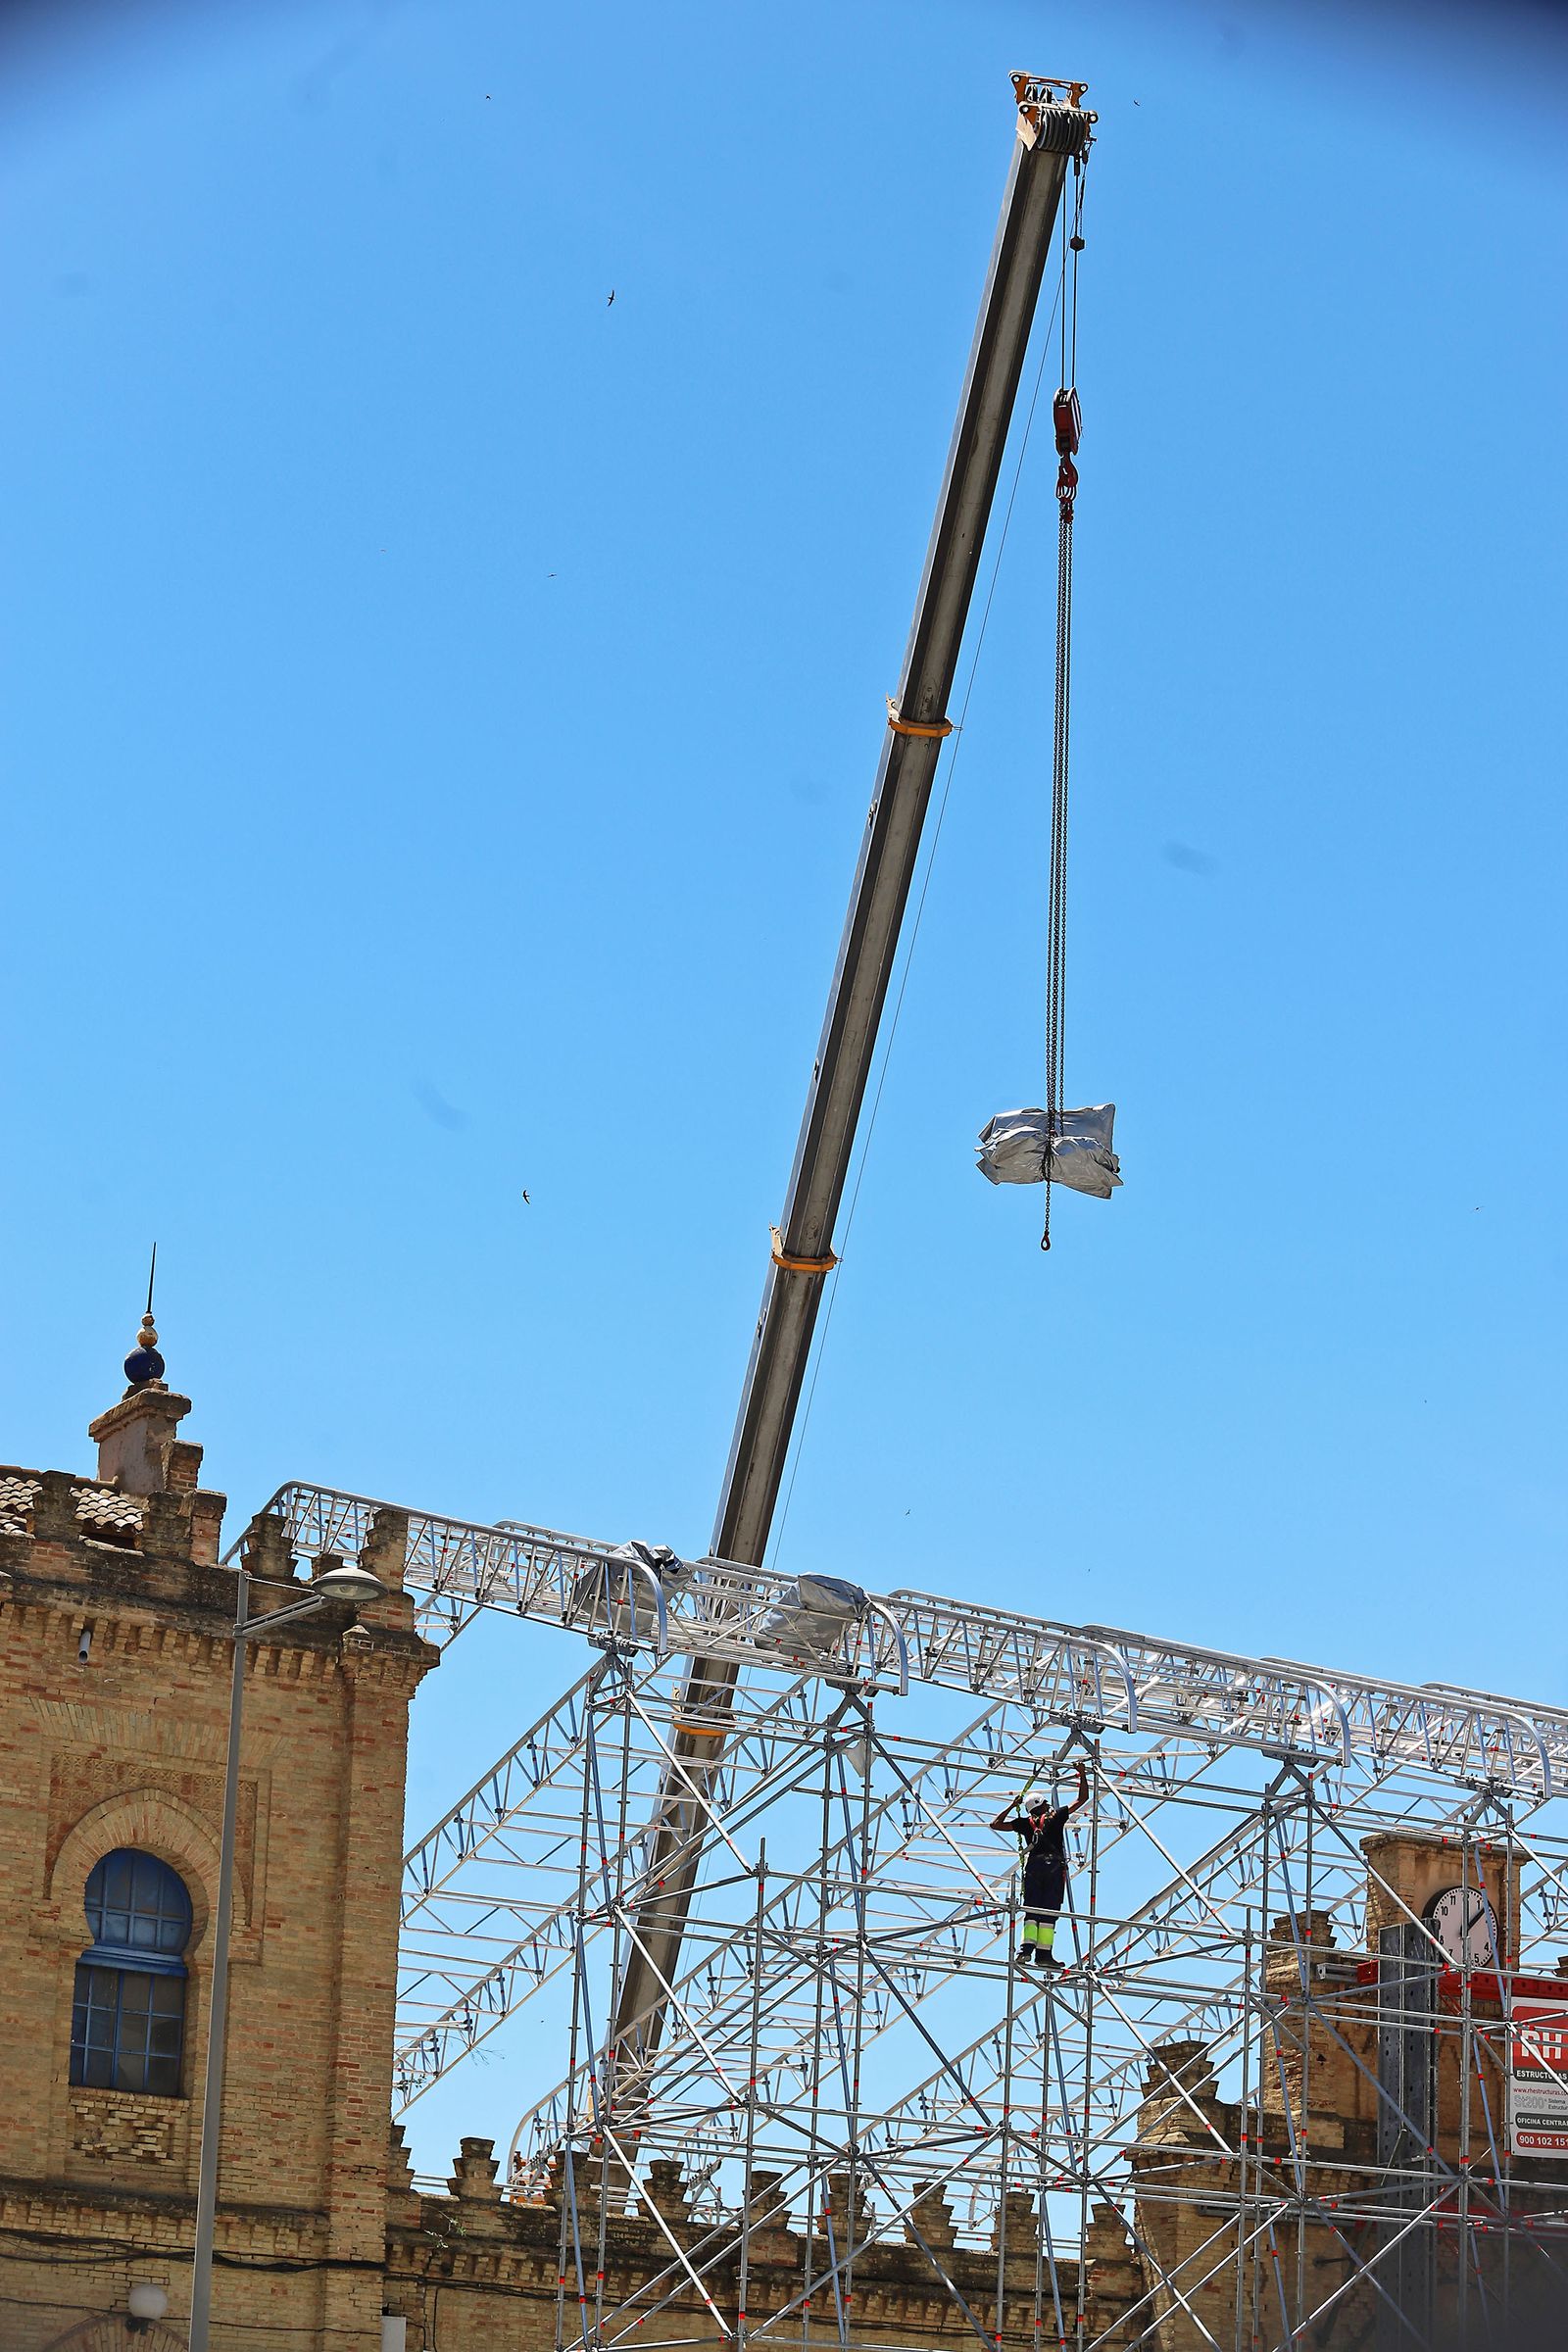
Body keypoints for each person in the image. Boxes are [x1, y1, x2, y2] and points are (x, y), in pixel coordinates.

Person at [991, 1763, 1089, 1970]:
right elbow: (1082, 1799)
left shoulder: (1025, 1823)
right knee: (1049, 1911)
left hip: (1034, 1869)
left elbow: (995, 1824)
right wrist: (1082, 1774)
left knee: (1032, 1909)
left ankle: (1026, 1950)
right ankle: (1044, 1954)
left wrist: (1011, 1805)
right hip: (1053, 1867)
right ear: (1043, 1805)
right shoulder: (1055, 1816)